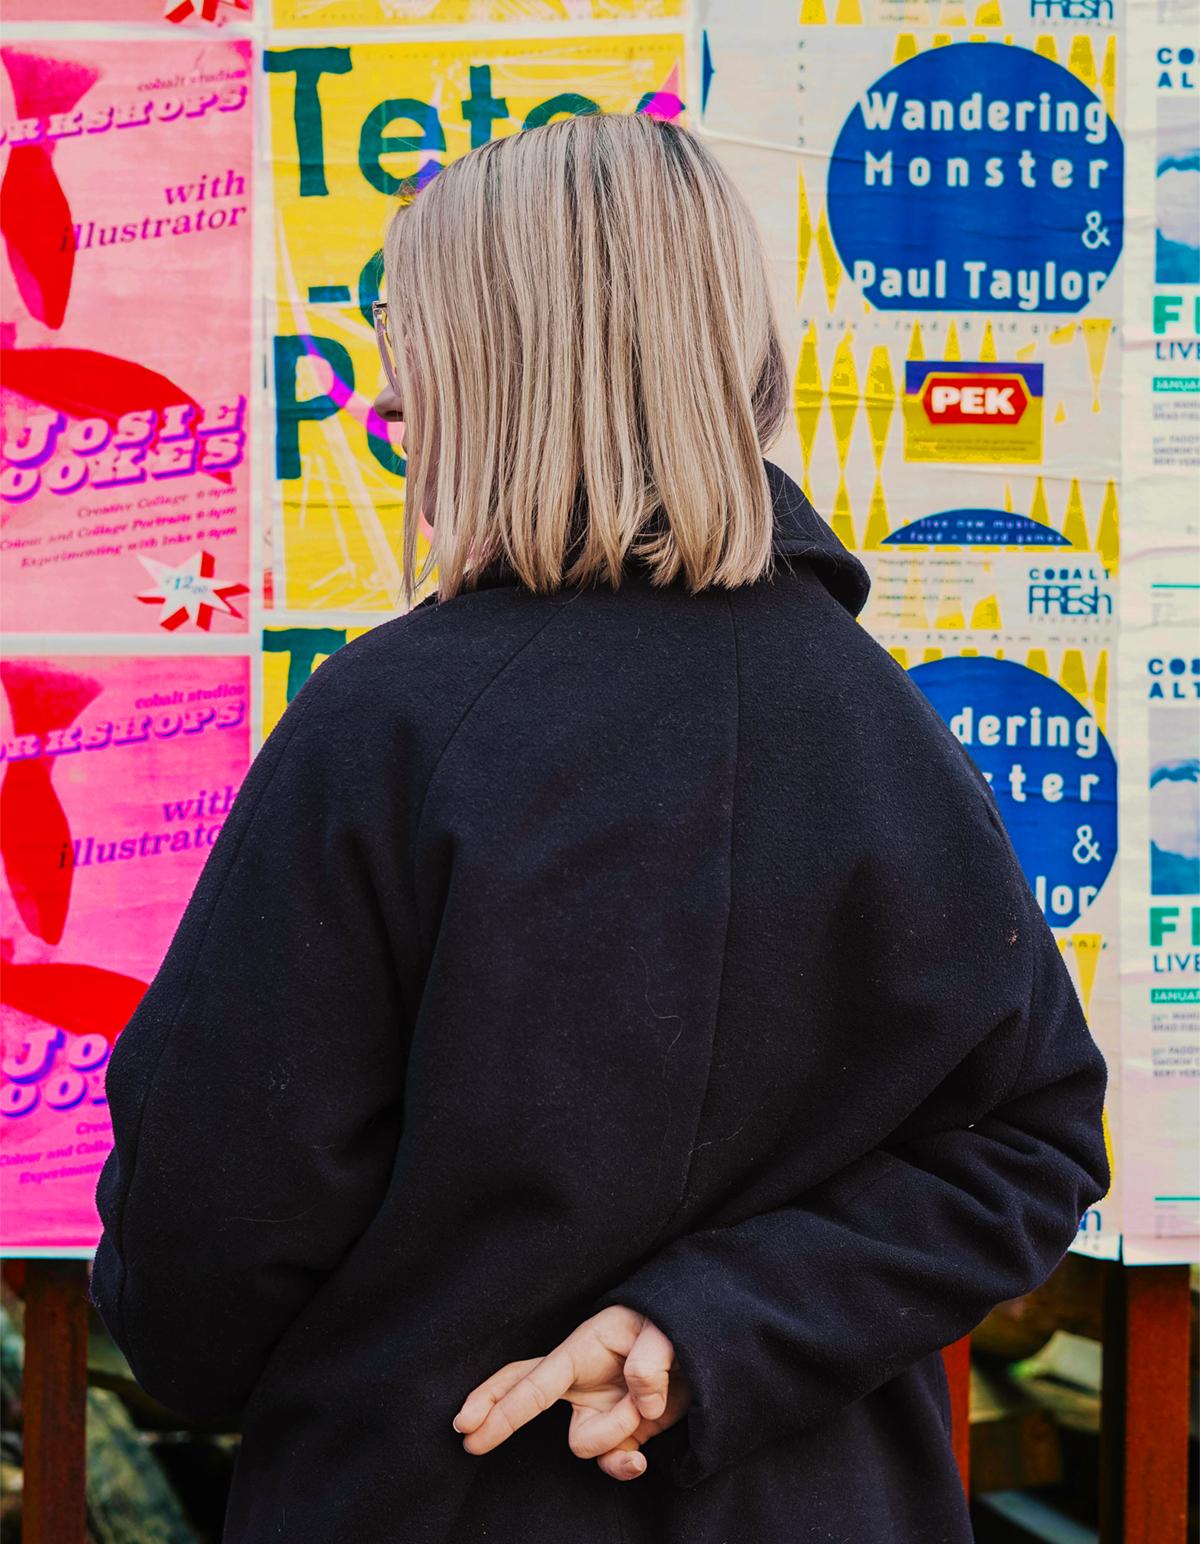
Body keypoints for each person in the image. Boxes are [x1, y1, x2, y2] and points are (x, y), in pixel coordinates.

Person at [89, 112, 1110, 1544]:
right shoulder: (875, 721)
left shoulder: (386, 727)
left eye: (402, 328)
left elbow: (209, 1247)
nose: (387, 389)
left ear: (501, 359)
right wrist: (713, 1327)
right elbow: (1031, 1140)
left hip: (429, 1497)